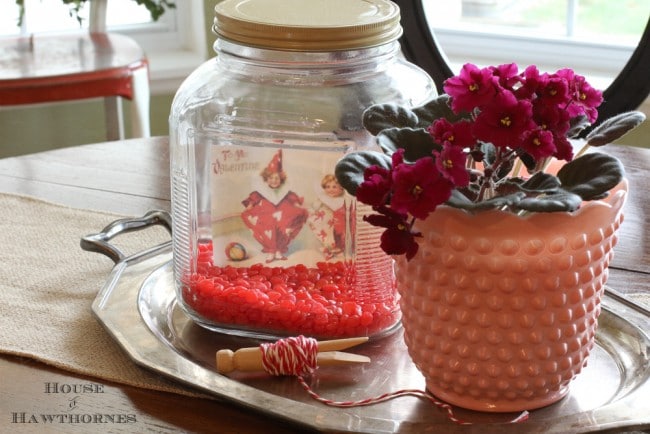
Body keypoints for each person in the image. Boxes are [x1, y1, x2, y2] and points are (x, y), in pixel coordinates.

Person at [241, 150, 308, 263]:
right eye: (271, 178)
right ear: (266, 179)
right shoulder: (262, 191)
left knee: (283, 229)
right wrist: (250, 207)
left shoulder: (285, 191)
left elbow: (292, 199)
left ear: (281, 180)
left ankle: (279, 250)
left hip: (282, 215)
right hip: (266, 215)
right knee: (268, 230)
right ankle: (271, 251)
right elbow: (254, 199)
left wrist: (297, 207)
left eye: (277, 178)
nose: (274, 181)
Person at [308, 174, 346, 260]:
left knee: (339, 235)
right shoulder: (323, 198)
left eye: (334, 187)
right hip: (324, 222)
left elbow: (344, 211)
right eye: (328, 187)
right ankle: (328, 250)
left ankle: (338, 250)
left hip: (337, 222)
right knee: (327, 236)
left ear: (341, 189)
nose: (330, 189)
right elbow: (315, 207)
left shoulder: (341, 200)